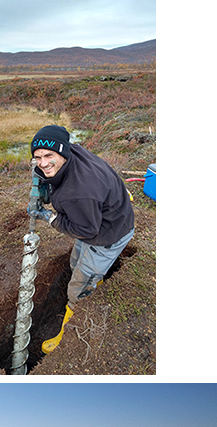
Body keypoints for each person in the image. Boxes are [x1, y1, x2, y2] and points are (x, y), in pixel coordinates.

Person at [29, 125, 135, 354]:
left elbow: (86, 230)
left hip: (107, 235)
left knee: (78, 287)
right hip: (105, 214)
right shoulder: (72, 152)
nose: (43, 163)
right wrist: (47, 181)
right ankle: (93, 280)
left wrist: (49, 217)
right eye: (37, 157)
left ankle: (69, 327)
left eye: (48, 156)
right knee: (75, 263)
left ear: (62, 154)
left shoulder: (79, 192)